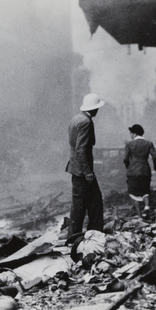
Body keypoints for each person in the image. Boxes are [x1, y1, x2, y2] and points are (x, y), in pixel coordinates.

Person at [65, 93, 105, 239]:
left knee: (81, 204)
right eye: (97, 108)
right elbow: (81, 149)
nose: (98, 111)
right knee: (91, 203)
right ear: (94, 109)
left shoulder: (76, 119)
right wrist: (88, 172)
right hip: (82, 171)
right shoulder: (86, 122)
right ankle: (90, 235)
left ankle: (77, 236)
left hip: (76, 168)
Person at [123, 124, 156, 218]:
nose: (130, 135)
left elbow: (125, 159)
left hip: (133, 172)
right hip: (145, 171)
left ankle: (140, 217)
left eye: (131, 133)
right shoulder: (148, 143)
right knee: (145, 191)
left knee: (134, 194)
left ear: (135, 133)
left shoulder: (129, 144)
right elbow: (155, 156)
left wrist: (129, 167)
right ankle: (147, 207)